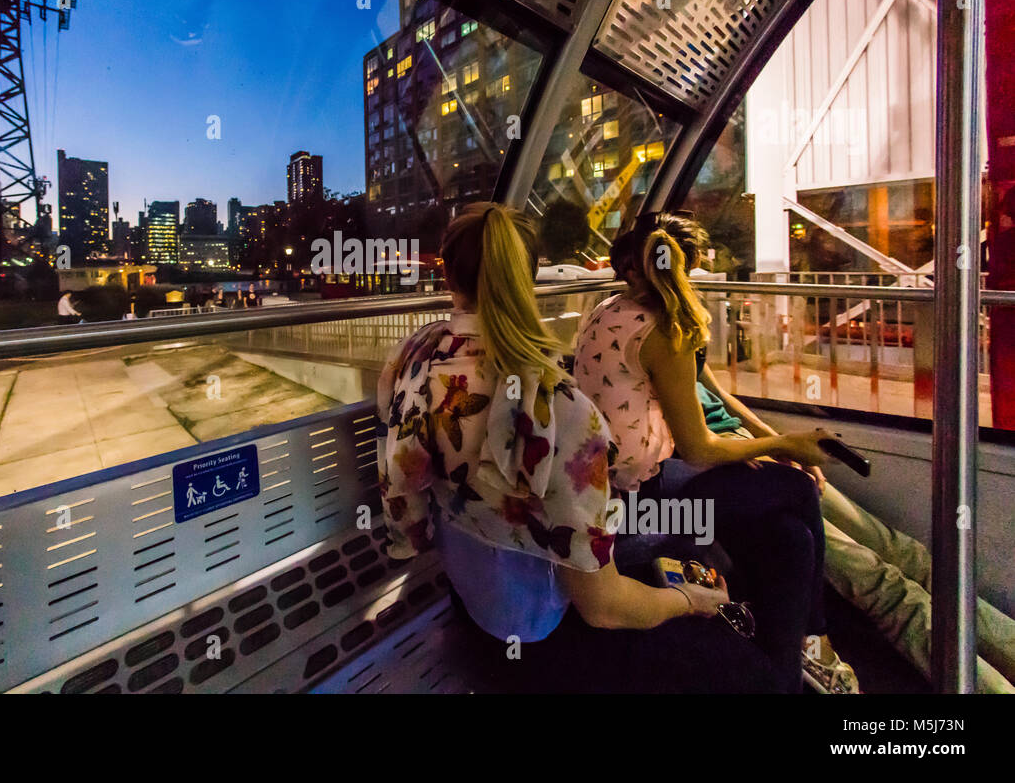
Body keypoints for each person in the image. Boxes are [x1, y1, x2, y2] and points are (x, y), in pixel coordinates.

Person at [378, 202, 780, 693]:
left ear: (446, 274)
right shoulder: (562, 411)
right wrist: (690, 603)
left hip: (472, 605)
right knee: (756, 676)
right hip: (546, 636)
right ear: (529, 277)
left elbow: (406, 497)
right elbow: (604, 609)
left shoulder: (414, 357)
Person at [574, 211, 854, 693]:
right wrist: (787, 444)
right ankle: (814, 638)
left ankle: (785, 671)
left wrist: (760, 447)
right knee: (795, 485)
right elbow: (699, 448)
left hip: (629, 486)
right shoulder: (663, 331)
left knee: (793, 539)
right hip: (639, 508)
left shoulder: (608, 309)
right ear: (691, 267)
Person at [695, 369, 1015, 693]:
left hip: (746, 443)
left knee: (905, 553)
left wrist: (776, 442)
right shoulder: (657, 329)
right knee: (879, 582)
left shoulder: (689, 322)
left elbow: (716, 394)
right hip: (721, 460)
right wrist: (769, 446)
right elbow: (688, 437)